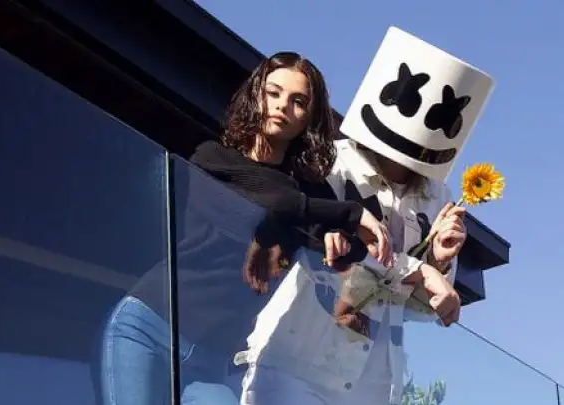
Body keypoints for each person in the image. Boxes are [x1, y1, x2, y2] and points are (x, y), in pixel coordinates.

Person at [92, 51, 390, 405]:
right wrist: (348, 214)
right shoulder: (212, 159)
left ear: (309, 118)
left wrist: (341, 234)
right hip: (147, 327)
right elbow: (266, 205)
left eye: (298, 102)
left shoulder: (307, 195)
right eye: (273, 93)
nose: (282, 106)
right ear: (256, 97)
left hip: (211, 364)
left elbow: (355, 248)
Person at [235, 26, 495, 405]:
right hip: (296, 360)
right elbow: (321, 252)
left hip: (371, 382)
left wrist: (438, 262)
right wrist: (420, 271)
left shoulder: (437, 197)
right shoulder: (332, 162)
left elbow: (418, 309)